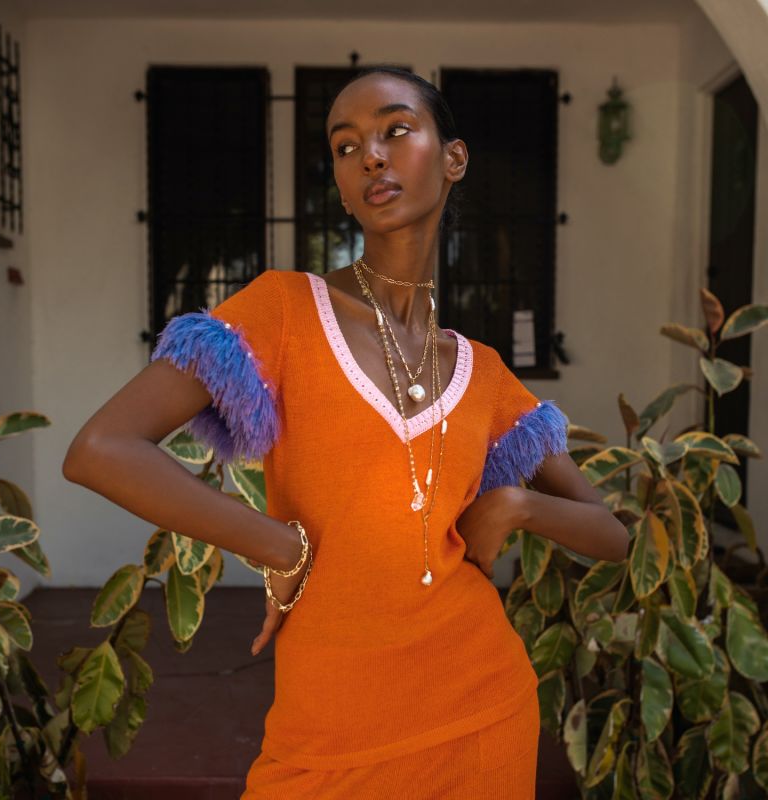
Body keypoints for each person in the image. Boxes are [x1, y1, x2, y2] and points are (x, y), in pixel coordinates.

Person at [62, 65, 629, 799]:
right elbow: (100, 449)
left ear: (452, 158)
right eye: (345, 145)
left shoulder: (481, 371)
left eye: (396, 130)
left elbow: (612, 535)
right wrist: (276, 543)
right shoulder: (286, 310)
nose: (371, 156)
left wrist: (515, 506)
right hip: (327, 733)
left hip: (481, 712)